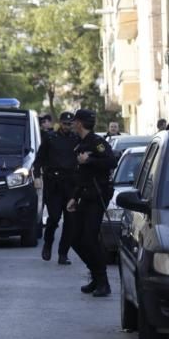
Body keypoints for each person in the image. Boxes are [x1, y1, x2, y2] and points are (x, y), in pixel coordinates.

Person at [66, 109, 116, 298]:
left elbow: (111, 162)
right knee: (75, 239)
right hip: (83, 196)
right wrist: (74, 196)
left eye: (74, 121)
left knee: (89, 238)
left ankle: (103, 282)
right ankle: (95, 276)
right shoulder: (80, 143)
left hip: (96, 197)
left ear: (79, 123)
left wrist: (90, 159)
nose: (72, 125)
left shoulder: (97, 142)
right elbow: (82, 176)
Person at [32, 111, 79, 265]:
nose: (67, 126)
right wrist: (37, 177)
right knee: (53, 218)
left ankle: (63, 253)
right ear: (60, 123)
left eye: (70, 123)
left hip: (71, 185)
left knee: (71, 221)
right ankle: (48, 244)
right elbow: (38, 160)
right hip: (54, 184)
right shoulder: (50, 138)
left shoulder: (76, 139)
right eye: (65, 123)